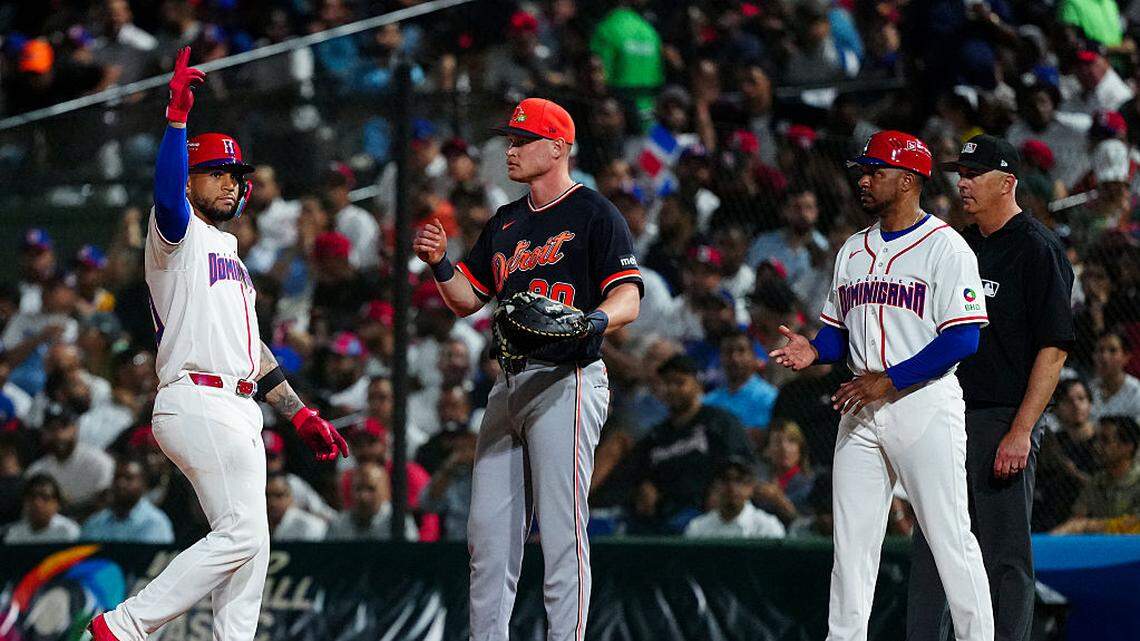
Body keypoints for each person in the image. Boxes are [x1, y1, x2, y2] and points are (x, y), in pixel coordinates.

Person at [88, 48, 349, 641]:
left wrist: (299, 413)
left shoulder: (234, 257)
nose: (230, 181)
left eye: (236, 175)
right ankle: (123, 627)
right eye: (216, 172)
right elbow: (166, 195)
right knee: (242, 534)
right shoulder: (176, 236)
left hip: (239, 405)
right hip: (196, 397)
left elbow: (256, 355)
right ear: (189, 179)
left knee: (251, 546)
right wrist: (176, 122)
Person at [412, 97, 642, 641]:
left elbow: (628, 298)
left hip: (569, 376)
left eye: (522, 141)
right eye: (510, 141)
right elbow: (467, 300)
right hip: (510, 380)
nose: (510, 151)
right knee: (487, 536)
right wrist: (441, 264)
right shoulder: (506, 221)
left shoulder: (594, 213)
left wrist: (591, 321)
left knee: (562, 531)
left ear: (558, 148)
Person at [769, 130, 994, 641]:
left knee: (949, 538)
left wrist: (889, 380)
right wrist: (815, 350)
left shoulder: (946, 247)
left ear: (909, 179)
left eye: (876, 171)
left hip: (923, 402)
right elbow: (838, 333)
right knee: (851, 547)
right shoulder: (853, 249)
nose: (864, 180)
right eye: (863, 171)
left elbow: (963, 339)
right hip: (862, 405)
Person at [907, 134, 1075, 641]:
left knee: (1004, 553)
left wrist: (1021, 431)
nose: (963, 184)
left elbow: (1054, 350)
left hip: (1003, 415)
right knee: (933, 546)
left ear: (1007, 182)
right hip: (947, 412)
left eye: (975, 175)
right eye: (960, 174)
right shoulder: (958, 246)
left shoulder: (1037, 248)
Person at [628, 355, 755, 533]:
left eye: (679, 382)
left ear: (697, 384)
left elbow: (741, 464)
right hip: (662, 513)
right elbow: (638, 472)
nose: (672, 389)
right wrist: (645, 486)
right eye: (667, 383)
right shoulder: (656, 435)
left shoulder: (720, 422)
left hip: (704, 511)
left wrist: (720, 491)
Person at [1051, 415, 1140, 534]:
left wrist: (1086, 526)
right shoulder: (1098, 481)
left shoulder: (1137, 481)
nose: (1096, 446)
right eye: (1096, 439)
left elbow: (1135, 523)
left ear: (1128, 447)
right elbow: (1077, 517)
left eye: (1105, 440)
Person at [26, 401, 114, 518]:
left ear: (75, 428)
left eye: (63, 427)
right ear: (44, 433)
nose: (59, 435)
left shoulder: (99, 462)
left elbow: (106, 504)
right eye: (52, 429)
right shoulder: (37, 470)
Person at [683, 458, 785, 539]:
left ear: (751, 487)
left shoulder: (767, 527)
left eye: (739, 480)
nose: (732, 487)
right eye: (725, 480)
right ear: (714, 486)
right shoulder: (698, 528)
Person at [81, 457, 175, 544]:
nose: (121, 483)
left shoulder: (155, 523)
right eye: (117, 477)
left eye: (128, 478)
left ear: (143, 484)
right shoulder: (95, 522)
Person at [325, 462, 417, 541]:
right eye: (358, 489)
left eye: (371, 489)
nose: (363, 496)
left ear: (386, 492)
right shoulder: (338, 526)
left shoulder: (398, 522)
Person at [3, 473, 79, 544]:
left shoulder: (67, 531)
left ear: (57, 504)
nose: (37, 503)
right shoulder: (15, 533)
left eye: (45, 497)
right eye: (32, 497)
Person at [1089, 331, 1140, 419]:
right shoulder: (1088, 389)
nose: (1104, 357)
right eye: (1100, 350)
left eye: (1112, 351)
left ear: (1126, 356)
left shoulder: (1136, 391)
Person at [266, 472, 327, 542]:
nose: (272, 502)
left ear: (291, 497)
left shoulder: (310, 525)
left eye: (279, 495)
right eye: (267, 496)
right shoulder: (258, 524)